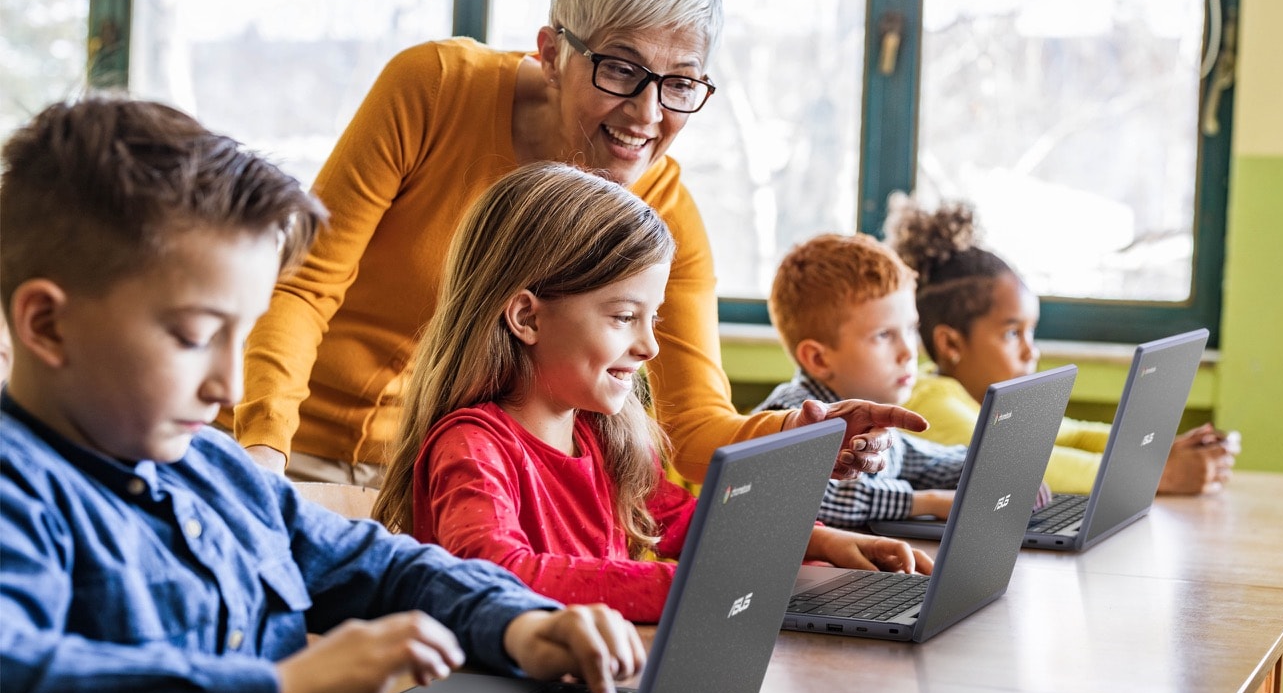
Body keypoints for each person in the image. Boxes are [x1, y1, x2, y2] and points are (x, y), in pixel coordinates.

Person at [0, 97, 645, 693]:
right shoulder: (18, 490)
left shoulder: (214, 468)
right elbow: (14, 682)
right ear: (46, 325)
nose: (231, 388)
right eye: (194, 337)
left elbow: (383, 567)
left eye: (242, 338)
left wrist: (520, 626)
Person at [226, 0, 925, 491]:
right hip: (288, 452)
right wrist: (262, 452)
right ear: (552, 51)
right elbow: (303, 285)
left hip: (435, 483)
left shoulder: (665, 215)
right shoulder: (433, 88)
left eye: (680, 84)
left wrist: (804, 436)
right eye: (620, 69)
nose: (648, 113)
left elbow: (693, 425)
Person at [372, 163, 932, 623]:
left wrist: (823, 542)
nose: (648, 347)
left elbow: (686, 522)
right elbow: (495, 571)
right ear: (526, 316)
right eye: (622, 316)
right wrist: (683, 587)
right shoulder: (474, 446)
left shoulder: (599, 435)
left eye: (653, 319)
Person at [884, 195, 1238, 496]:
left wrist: (1157, 449)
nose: (1030, 352)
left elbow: (1075, 436)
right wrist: (1161, 473)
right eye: (1012, 334)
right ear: (950, 343)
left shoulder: (983, 399)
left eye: (1031, 333)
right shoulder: (931, 404)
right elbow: (1016, 469)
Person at [755, 233, 966, 527]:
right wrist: (927, 502)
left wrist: (987, 471)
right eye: (883, 335)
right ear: (818, 359)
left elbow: (926, 461)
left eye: (910, 329)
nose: (909, 352)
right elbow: (818, 497)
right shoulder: (787, 414)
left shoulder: (875, 420)